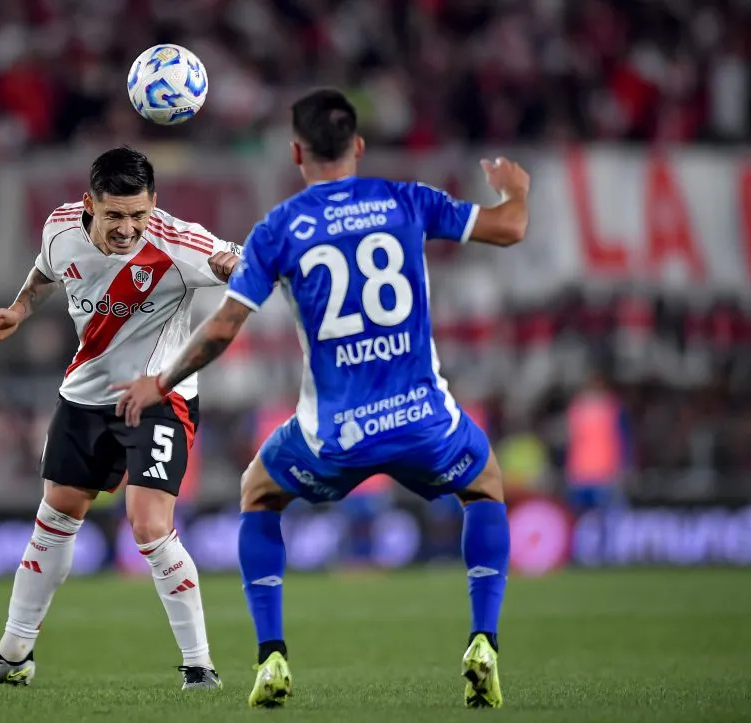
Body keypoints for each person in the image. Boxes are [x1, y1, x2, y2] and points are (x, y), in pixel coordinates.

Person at [112, 90, 530, 709]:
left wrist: (160, 382)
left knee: (260, 490)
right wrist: (516, 190)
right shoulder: (404, 199)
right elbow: (509, 228)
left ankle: (271, 654)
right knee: (485, 485)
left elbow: (224, 328)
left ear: (296, 152)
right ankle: (483, 639)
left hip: (333, 433)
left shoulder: (279, 228)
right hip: (422, 419)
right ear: (358, 146)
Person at [0, 146, 239, 692]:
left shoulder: (180, 241)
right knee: (55, 516)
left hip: (158, 397)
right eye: (115, 216)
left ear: (154, 206)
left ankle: (200, 667)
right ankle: (15, 654)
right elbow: (45, 271)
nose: (128, 230)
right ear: (88, 205)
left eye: (139, 216)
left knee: (149, 528)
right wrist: (20, 308)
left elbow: (253, 268)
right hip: (84, 394)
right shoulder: (59, 228)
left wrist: (235, 266)